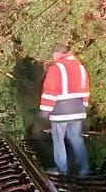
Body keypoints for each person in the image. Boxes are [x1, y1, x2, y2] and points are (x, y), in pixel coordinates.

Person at [38, 44, 91, 176]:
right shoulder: (80, 67)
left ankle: (62, 169)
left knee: (58, 139)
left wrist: (45, 110)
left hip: (60, 111)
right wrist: (84, 105)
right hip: (78, 109)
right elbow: (86, 88)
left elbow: (49, 91)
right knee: (76, 138)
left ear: (56, 54)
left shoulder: (56, 68)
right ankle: (84, 169)